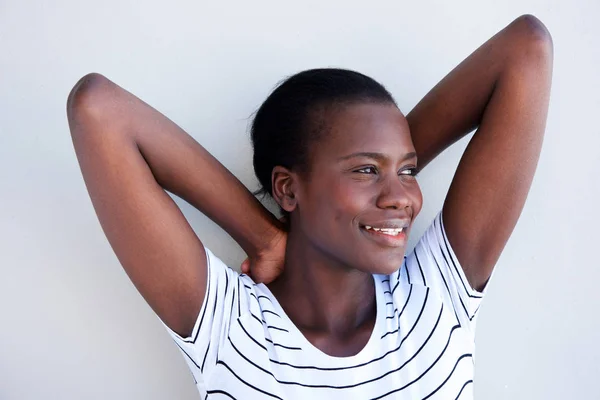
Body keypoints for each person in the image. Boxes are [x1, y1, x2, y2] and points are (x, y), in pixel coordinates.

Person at [66, 14, 553, 399]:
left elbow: (527, 47)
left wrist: (375, 181)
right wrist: (263, 236)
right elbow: (98, 109)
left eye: (408, 169)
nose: (404, 197)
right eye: (365, 169)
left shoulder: (436, 299)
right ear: (288, 189)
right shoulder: (232, 330)